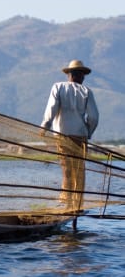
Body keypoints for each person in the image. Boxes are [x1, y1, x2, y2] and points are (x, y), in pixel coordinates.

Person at [40, 60, 99, 209]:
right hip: (80, 135)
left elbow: (51, 109)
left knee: (66, 167)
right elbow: (93, 117)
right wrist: (88, 132)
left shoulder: (58, 87)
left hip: (62, 135)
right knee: (79, 169)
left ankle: (66, 200)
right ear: (81, 76)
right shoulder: (86, 91)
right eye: (82, 75)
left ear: (69, 75)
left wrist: (45, 126)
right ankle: (76, 203)